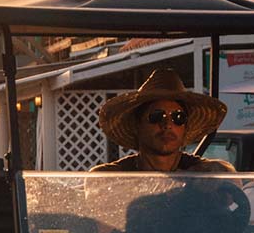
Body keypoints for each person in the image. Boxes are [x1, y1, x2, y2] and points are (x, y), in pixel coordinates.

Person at [93, 68, 235, 175]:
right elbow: (97, 181)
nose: (167, 125)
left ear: (185, 126)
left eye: (178, 118)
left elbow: (226, 172)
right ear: (137, 125)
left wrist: (194, 180)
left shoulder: (200, 172)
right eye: (156, 116)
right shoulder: (116, 175)